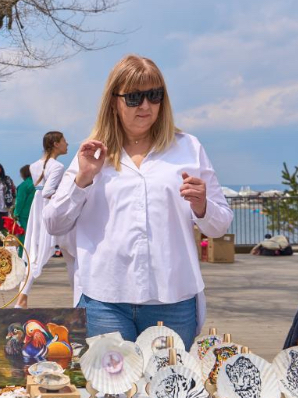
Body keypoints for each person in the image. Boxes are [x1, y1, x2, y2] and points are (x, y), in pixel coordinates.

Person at [42, 54, 233, 348]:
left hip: (172, 298)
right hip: (105, 300)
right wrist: (83, 180)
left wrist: (202, 206)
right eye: (134, 97)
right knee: (108, 392)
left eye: (154, 95)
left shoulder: (188, 148)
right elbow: (54, 222)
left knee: (170, 390)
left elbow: (220, 226)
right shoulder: (92, 154)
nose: (145, 105)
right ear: (114, 102)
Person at [15, 131, 68, 308]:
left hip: (36, 207)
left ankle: (22, 296)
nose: (67, 144)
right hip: (48, 207)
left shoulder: (34, 165)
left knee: (33, 252)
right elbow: (47, 191)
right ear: (55, 144)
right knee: (42, 253)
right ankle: (22, 297)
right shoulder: (58, 167)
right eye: (64, 141)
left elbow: (41, 190)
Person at [13, 165, 35, 252]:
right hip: (35, 214)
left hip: (24, 215)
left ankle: (23, 257)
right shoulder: (37, 184)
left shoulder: (23, 186)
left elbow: (20, 201)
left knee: (23, 237)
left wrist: (16, 213)